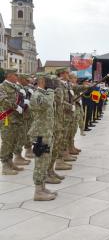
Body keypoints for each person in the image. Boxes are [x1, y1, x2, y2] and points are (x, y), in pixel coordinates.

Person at [29, 73, 57, 201]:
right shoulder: (37, 95)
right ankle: (38, 192)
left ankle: (43, 187)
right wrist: (51, 91)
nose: (50, 84)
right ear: (41, 81)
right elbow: (47, 104)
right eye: (48, 81)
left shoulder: (44, 94)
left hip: (46, 132)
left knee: (46, 160)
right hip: (40, 134)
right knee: (40, 162)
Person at [0, 68, 25, 175]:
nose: (17, 77)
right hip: (7, 119)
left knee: (14, 141)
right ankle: (5, 165)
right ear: (9, 76)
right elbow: (4, 101)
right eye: (15, 75)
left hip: (16, 119)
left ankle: (10, 162)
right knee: (7, 142)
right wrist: (16, 107)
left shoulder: (16, 86)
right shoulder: (2, 87)